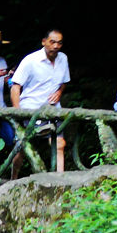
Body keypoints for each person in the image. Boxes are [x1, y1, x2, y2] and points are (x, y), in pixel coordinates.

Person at [11, 28, 71, 171]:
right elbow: (15, 86)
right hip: (31, 108)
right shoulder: (31, 60)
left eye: (59, 43)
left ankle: (60, 181)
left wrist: (59, 92)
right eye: (52, 42)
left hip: (53, 109)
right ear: (44, 42)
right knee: (23, 147)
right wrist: (17, 111)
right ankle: (13, 178)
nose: (56, 46)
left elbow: (64, 81)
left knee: (59, 144)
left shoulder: (63, 58)